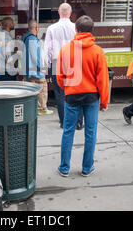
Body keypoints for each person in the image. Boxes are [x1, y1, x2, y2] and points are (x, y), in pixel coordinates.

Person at [56, 16, 110, 177]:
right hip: (91, 97)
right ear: (92, 30)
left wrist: (67, 88)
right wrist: (104, 102)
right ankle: (87, 168)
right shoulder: (98, 51)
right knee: (90, 132)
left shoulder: (65, 49)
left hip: (72, 95)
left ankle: (64, 168)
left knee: (68, 131)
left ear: (76, 30)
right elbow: (103, 80)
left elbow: (59, 76)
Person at [44, 3, 83, 129]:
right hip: (73, 61)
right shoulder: (76, 28)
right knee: (76, 92)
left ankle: (64, 121)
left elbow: (47, 49)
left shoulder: (51, 28)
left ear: (59, 13)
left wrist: (48, 64)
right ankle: (77, 121)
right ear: (70, 13)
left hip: (57, 62)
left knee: (60, 93)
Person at [22, 19, 53, 116]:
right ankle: (41, 109)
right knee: (42, 88)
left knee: (29, 90)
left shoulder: (24, 38)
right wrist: (43, 69)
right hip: (36, 71)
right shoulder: (33, 40)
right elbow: (37, 58)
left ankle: (31, 108)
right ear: (36, 28)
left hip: (27, 70)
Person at [0, 17, 17, 81]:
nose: (14, 24)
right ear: (8, 25)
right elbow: (6, 53)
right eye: (12, 23)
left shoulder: (3, 35)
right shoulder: (5, 36)